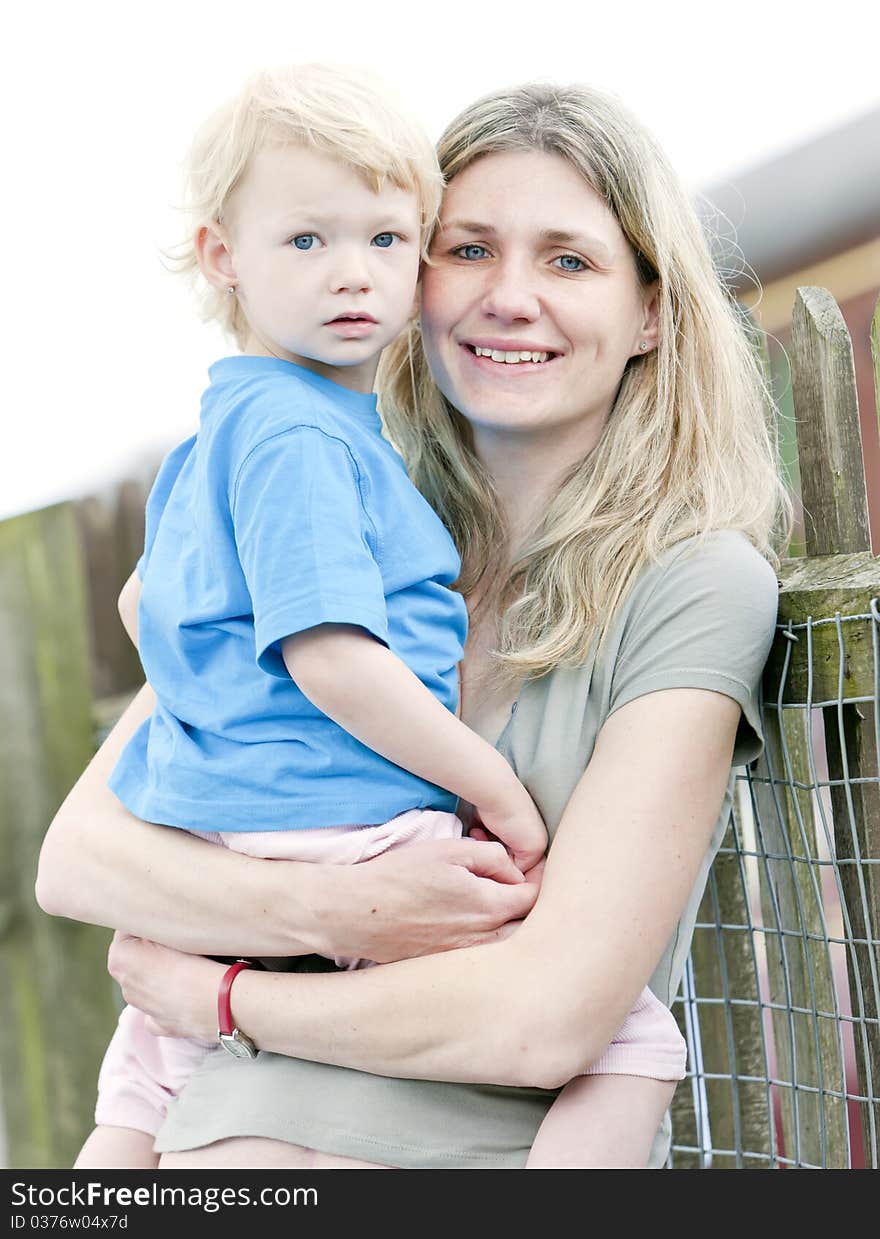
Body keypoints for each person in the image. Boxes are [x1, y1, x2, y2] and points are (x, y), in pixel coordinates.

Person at [36, 79, 788, 1170]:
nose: (509, 297)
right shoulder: (322, 514)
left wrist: (225, 994)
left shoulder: (692, 585)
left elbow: (547, 1020)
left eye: (568, 260)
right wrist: (340, 912)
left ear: (651, 311)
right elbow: (83, 861)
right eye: (468, 249)